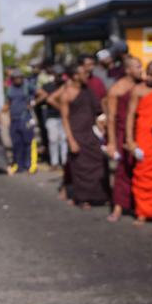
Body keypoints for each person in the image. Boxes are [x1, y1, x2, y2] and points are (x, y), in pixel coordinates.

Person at [60, 63, 110, 208]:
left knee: (99, 164)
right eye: (83, 73)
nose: (87, 76)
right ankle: (82, 198)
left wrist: (102, 121)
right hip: (77, 134)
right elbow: (65, 118)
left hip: (91, 132)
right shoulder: (67, 94)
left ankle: (100, 195)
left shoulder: (88, 91)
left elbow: (97, 109)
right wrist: (71, 140)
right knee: (80, 168)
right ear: (75, 76)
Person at [126, 61, 152, 225]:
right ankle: (142, 211)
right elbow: (130, 115)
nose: (147, 77)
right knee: (143, 173)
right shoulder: (138, 90)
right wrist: (130, 140)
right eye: (147, 73)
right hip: (144, 136)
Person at [105, 57, 143, 222]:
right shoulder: (117, 89)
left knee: (141, 168)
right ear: (127, 70)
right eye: (137, 67)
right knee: (122, 170)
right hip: (121, 132)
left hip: (141, 131)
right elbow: (111, 118)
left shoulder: (143, 84)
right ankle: (118, 206)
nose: (141, 69)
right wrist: (112, 142)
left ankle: (141, 205)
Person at [36, 64, 67, 170]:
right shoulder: (47, 86)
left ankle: (64, 161)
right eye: (57, 74)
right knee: (53, 139)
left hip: (63, 117)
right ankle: (54, 162)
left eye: (60, 74)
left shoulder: (65, 85)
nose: (59, 76)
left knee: (63, 139)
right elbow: (39, 94)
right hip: (51, 116)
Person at [4, 69, 35, 174]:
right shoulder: (10, 89)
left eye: (20, 77)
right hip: (14, 119)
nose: (18, 80)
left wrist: (33, 103)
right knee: (17, 143)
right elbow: (8, 103)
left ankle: (29, 165)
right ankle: (19, 166)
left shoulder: (27, 86)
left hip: (25, 118)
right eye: (16, 78)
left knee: (27, 142)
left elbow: (41, 93)